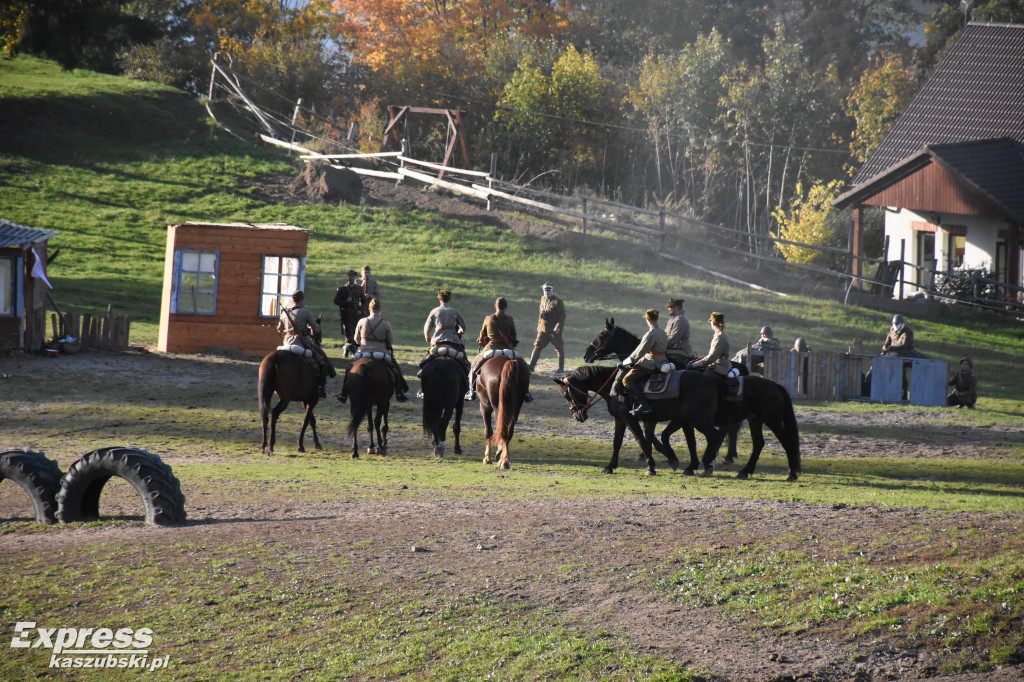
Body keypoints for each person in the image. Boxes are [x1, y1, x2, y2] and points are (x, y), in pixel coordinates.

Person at [337, 298, 409, 403]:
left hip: (363, 352)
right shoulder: (386, 323)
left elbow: (356, 339)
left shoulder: (361, 321)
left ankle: (344, 394)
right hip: (381, 353)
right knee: (396, 370)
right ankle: (399, 393)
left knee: (349, 370)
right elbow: (390, 341)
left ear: (369, 309)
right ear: (380, 309)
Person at [466, 297, 533, 402]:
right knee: (524, 367)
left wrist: (482, 341)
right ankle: (527, 392)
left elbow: (482, 337)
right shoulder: (509, 319)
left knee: (474, 366)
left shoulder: (488, 319)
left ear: (495, 307)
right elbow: (513, 337)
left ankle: (471, 391)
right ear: (505, 308)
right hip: (507, 349)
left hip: (491, 348)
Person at [277, 290, 335, 399]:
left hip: (286, 342)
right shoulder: (305, 312)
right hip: (301, 343)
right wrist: (308, 329)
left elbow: (279, 330)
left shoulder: (285, 313)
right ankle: (319, 386)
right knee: (323, 362)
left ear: (293, 300)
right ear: (301, 300)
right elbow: (316, 329)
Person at [615, 308, 668, 416]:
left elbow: (639, 352)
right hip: (662, 360)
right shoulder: (662, 332)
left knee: (626, 380)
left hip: (650, 362)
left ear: (648, 319)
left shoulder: (650, 334)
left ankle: (644, 405)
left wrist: (624, 363)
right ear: (656, 319)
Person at [418, 289, 470, 381]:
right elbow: (463, 325)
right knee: (464, 360)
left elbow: (427, 327)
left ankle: (422, 372)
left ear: (439, 299)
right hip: (453, 341)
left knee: (428, 358)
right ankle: (466, 376)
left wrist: (428, 337)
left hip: (437, 342)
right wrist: (461, 331)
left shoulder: (434, 311)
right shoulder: (454, 311)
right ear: (449, 299)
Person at [528, 282, 566, 376]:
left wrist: (558, 327)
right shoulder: (542, 299)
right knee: (537, 346)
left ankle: (561, 368)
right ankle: (531, 367)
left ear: (552, 290)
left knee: (559, 348)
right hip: (543, 329)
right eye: (545, 290)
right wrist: (539, 325)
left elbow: (562, 316)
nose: (546, 292)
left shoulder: (557, 301)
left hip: (553, 330)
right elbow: (541, 314)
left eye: (548, 290)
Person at [688, 312, 732, 377]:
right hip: (717, 364)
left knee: (703, 379)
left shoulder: (720, 337)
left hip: (720, 367)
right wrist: (698, 361)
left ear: (713, 323)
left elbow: (712, 357)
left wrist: (693, 365)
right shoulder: (720, 334)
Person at [333, 269, 366, 357]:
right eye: (349, 276)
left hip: (357, 315)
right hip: (347, 316)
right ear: (347, 277)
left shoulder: (359, 288)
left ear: (355, 277)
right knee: (349, 335)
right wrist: (345, 301)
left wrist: (361, 310)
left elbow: (364, 301)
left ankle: (348, 347)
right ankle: (353, 353)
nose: (351, 278)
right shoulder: (343, 289)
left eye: (353, 276)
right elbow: (336, 301)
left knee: (357, 334)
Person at [663, 298, 695, 367]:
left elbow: (673, 339)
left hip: (681, 352)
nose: (668, 309)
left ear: (677, 307)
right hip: (673, 350)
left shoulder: (680, 320)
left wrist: (660, 344)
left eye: (670, 307)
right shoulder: (673, 319)